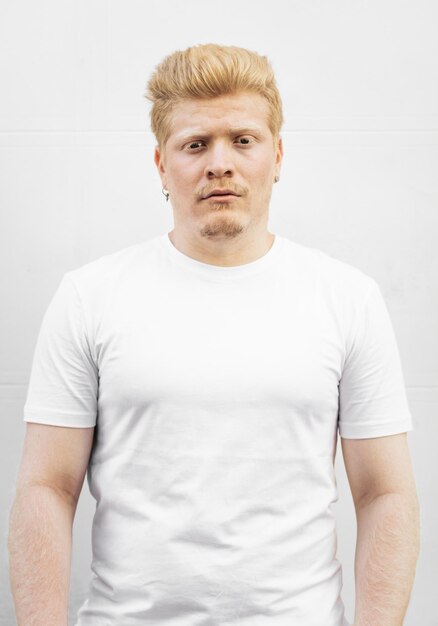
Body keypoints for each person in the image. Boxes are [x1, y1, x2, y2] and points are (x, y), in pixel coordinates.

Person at [8, 43, 419, 626]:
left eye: (243, 140)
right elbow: (47, 488)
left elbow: (385, 495)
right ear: (161, 164)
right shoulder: (89, 297)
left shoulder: (347, 299)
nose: (219, 163)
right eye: (195, 144)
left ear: (277, 155)